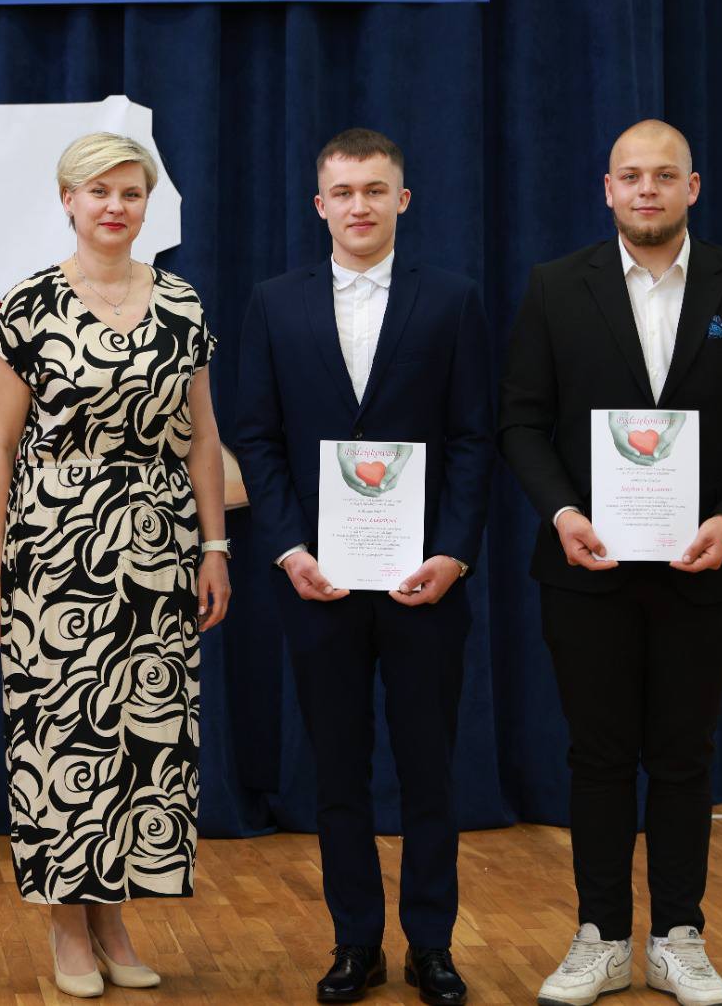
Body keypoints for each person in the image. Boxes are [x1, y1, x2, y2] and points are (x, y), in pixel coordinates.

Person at [499, 120, 722, 1006]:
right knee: (597, 755)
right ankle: (599, 936)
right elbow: (520, 420)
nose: (646, 190)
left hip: (705, 566)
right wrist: (563, 513)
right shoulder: (556, 286)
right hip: (586, 566)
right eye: (630, 176)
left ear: (692, 187)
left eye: (663, 176)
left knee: (684, 755)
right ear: (607, 189)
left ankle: (679, 936)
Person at [233, 128, 494, 1006]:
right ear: (320, 205)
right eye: (343, 191)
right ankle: (355, 942)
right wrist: (288, 550)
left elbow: (473, 438)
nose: (359, 205)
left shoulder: (452, 300)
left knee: (429, 770)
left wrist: (453, 551)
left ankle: (432, 945)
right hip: (320, 581)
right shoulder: (275, 302)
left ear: (402, 200)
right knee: (337, 771)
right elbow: (257, 438)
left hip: (426, 581)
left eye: (375, 190)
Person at [0, 132, 232, 998]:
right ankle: (65, 920)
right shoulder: (30, 303)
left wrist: (215, 546)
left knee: (144, 737)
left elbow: (202, 437)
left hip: (161, 544)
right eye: (98, 190)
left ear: (146, 204)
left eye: (130, 192)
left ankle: (113, 915)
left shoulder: (182, 303)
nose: (115, 205)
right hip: (52, 545)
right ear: (68, 201)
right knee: (61, 732)